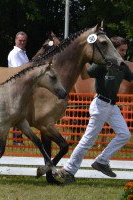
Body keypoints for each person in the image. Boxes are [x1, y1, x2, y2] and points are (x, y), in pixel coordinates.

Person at [58, 36, 133, 183]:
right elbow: (86, 76)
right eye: (122, 50)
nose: (124, 53)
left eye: (125, 50)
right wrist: (81, 62)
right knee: (87, 141)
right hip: (100, 105)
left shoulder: (122, 66)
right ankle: (68, 170)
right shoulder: (102, 64)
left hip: (112, 106)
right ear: (114, 49)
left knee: (124, 134)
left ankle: (102, 161)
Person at [7, 31, 29, 145]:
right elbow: (18, 71)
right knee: (17, 112)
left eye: (24, 40)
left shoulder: (23, 53)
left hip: (22, 86)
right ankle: (17, 139)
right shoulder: (15, 54)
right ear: (16, 40)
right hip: (16, 86)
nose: (22, 42)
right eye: (20, 40)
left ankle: (18, 138)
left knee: (20, 112)